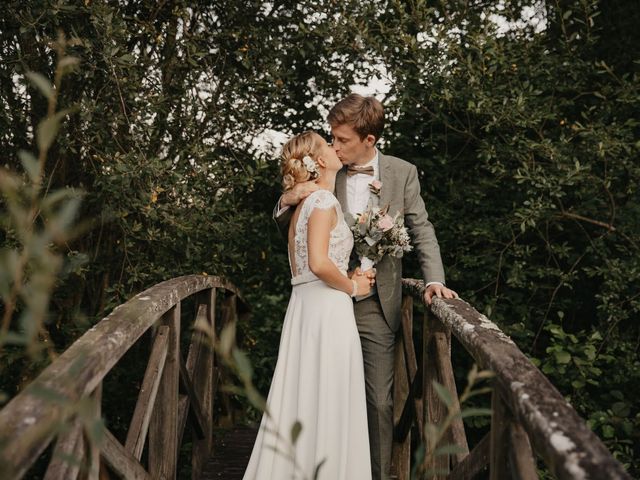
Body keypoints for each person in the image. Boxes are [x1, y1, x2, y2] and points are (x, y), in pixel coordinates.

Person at [275, 94, 458, 479]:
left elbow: (421, 229)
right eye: (333, 139)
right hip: (327, 301)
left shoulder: (402, 172)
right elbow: (296, 227)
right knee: (323, 394)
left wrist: (434, 280)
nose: (335, 145)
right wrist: (286, 198)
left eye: (342, 139)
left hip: (377, 302)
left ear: (369, 140)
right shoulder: (325, 171)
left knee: (377, 401)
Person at [243, 131, 372, 480]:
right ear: (317, 161)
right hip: (328, 310)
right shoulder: (323, 203)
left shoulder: (303, 204)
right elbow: (317, 262)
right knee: (328, 397)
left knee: (307, 395)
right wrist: (353, 286)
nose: (335, 147)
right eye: (327, 145)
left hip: (306, 307)